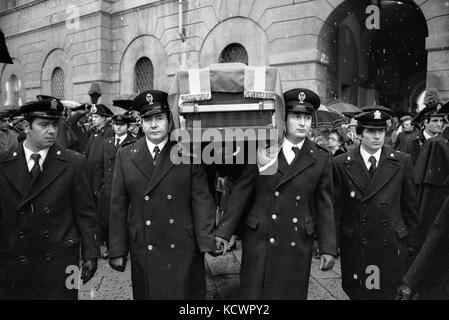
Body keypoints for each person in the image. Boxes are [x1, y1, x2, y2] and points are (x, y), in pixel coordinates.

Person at [107, 90, 227, 299]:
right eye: (147, 119)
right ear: (140, 123)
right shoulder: (125, 155)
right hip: (145, 245)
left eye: (159, 118)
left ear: (169, 120)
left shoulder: (188, 153)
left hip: (183, 245)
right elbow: (118, 205)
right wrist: (117, 249)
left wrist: (207, 240)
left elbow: (201, 200)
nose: (153, 125)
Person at [234, 88, 336, 300]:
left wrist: (328, 248)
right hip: (261, 238)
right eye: (296, 116)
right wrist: (224, 232)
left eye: (307, 117)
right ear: (284, 118)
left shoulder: (320, 158)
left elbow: (324, 206)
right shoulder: (264, 149)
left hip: (296, 240)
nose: (302, 123)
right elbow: (242, 190)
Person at [0, 98, 100, 299]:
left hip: (59, 260)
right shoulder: (4, 164)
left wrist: (91, 253)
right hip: (15, 260)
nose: (52, 131)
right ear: (27, 126)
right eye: (44, 125)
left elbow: (85, 212)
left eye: (55, 124)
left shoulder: (73, 162)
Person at [333, 106, 420, 300]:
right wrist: (332, 247)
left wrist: (413, 245)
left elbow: (410, 207)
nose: (377, 136)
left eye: (381, 131)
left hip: (391, 244)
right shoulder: (341, 163)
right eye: (371, 131)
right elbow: (337, 208)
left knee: (386, 293)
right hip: (357, 244)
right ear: (360, 134)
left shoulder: (401, 161)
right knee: (359, 293)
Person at [93, 113, 136, 259]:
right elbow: (100, 165)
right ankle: (110, 247)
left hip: (125, 187)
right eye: (116, 124)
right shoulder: (107, 142)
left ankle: (123, 249)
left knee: (123, 219)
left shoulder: (133, 142)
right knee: (105, 220)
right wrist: (97, 186)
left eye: (122, 125)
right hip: (108, 186)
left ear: (128, 127)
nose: (118, 127)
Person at [84, 104, 114, 191]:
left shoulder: (109, 132)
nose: (93, 119)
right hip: (91, 174)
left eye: (96, 117)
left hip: (101, 177)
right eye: (92, 117)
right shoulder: (93, 132)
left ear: (104, 118)